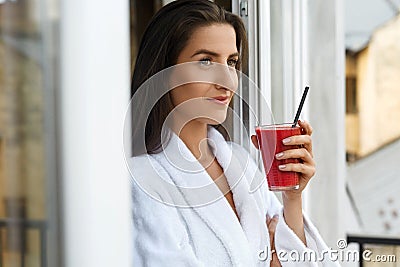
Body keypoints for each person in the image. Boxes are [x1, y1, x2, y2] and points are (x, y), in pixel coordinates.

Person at [129, 0, 340, 266]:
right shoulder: (142, 182)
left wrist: (292, 198)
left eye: (231, 62)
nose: (227, 81)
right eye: (205, 61)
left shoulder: (241, 166)